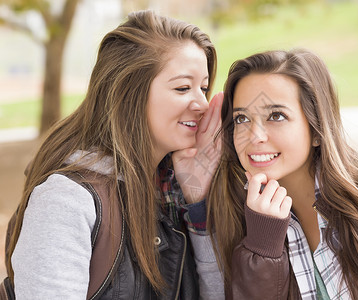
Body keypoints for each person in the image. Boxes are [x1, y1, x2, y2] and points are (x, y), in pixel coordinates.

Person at [6, 10, 225, 299]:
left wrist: (198, 204)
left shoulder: (177, 190)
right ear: (128, 92)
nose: (201, 103)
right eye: (183, 87)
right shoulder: (65, 200)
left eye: (204, 88)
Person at [207, 48, 358, 299]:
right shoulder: (236, 211)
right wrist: (262, 250)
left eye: (276, 116)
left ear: (316, 129)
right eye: (241, 119)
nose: (255, 136)